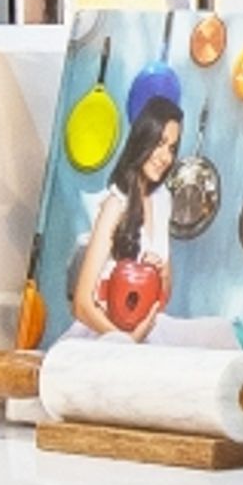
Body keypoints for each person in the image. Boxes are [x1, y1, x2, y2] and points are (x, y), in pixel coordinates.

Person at [72, 93, 184, 339]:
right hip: (105, 335)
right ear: (143, 140)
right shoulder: (116, 205)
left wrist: (161, 273)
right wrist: (125, 345)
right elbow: (81, 304)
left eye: (172, 148)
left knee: (219, 333)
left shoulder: (163, 199)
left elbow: (164, 297)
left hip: (146, 335)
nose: (165, 157)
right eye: (159, 143)